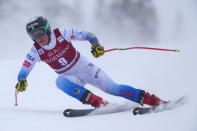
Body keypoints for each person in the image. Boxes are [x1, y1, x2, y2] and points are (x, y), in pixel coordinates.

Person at [15, 16, 166, 108]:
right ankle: (98, 103)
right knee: (60, 82)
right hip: (69, 76)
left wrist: (96, 45)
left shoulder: (61, 33)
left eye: (40, 32)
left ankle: (151, 100)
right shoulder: (35, 50)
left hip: (84, 68)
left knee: (113, 89)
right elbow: (25, 68)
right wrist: (21, 80)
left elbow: (88, 35)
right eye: (34, 36)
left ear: (47, 30)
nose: (38, 38)